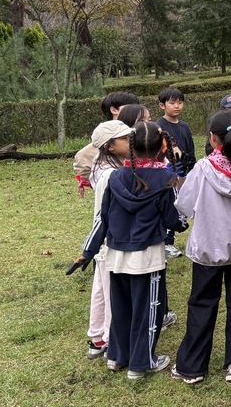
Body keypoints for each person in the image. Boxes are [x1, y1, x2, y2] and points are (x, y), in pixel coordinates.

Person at [68, 121, 189, 380]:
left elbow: (103, 218)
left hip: (116, 254)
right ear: (160, 148)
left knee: (121, 308)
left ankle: (116, 357)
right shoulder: (165, 178)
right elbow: (172, 220)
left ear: (131, 146)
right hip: (147, 256)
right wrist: (182, 223)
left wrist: (87, 251)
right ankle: (141, 363)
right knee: (149, 309)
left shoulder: (114, 177)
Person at [171, 109, 231, 385]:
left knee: (201, 304)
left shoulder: (203, 168)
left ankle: (192, 367)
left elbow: (184, 206)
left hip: (208, 249)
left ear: (212, 138)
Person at [84, 120, 134, 359]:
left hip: (105, 240)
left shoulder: (101, 166)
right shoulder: (110, 174)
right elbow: (105, 213)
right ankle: (112, 340)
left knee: (101, 288)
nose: (130, 141)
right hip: (110, 239)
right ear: (110, 146)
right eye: (125, 138)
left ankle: (98, 337)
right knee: (110, 290)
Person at [73, 91, 139, 196]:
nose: (135, 110)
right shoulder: (94, 150)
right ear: (113, 110)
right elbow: (82, 162)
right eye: (129, 107)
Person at [157, 87, 195, 258]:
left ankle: (171, 238)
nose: (177, 106)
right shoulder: (158, 126)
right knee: (169, 206)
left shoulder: (185, 127)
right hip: (166, 174)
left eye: (180, 102)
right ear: (162, 105)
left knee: (181, 206)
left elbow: (190, 150)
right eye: (172, 103)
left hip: (184, 173)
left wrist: (191, 170)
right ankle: (167, 242)